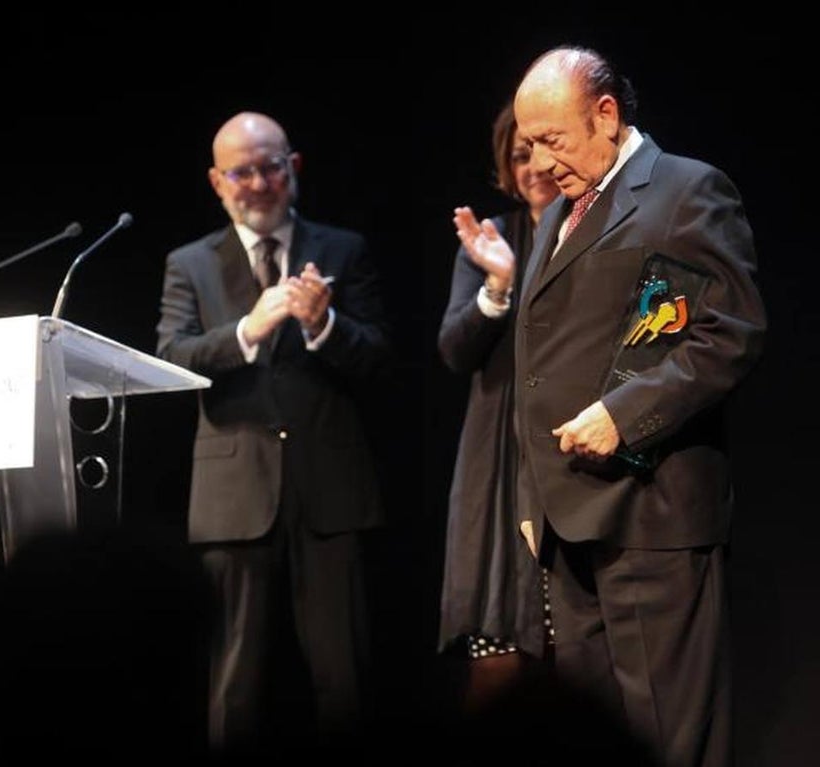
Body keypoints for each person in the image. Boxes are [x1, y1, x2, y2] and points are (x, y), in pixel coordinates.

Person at [452, 46, 767, 767]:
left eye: (553, 141)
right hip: (569, 525)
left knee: (666, 734)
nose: (540, 162)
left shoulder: (686, 189)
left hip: (650, 514)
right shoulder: (561, 211)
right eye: (529, 145)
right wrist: (534, 502)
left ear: (606, 114)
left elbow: (731, 332)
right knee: (593, 740)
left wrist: (625, 413)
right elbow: (541, 364)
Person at [155, 111, 390, 756]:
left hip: (330, 488)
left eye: (271, 167)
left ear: (294, 166)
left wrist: (324, 325)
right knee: (234, 680)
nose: (259, 183)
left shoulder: (342, 249)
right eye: (242, 172)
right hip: (235, 495)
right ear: (216, 180)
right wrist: (247, 331)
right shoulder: (189, 264)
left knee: (345, 675)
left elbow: (376, 357)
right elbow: (171, 358)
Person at [436, 99, 559, 714]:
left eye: (541, 147)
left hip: (571, 450)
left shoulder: (597, 228)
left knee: (585, 656)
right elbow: (455, 351)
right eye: (518, 154)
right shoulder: (489, 240)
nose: (533, 164)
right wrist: (498, 285)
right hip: (499, 462)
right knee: (498, 656)